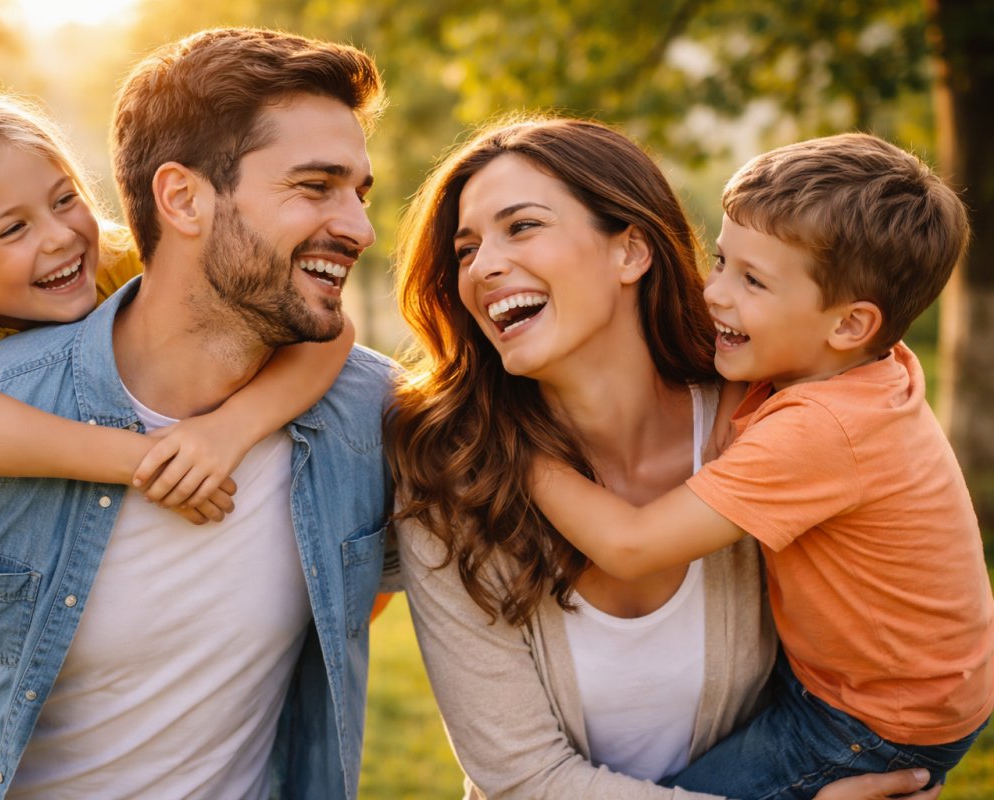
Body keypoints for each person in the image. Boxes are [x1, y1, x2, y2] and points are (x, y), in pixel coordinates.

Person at [0, 27, 393, 799]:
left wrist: (225, 432)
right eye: (315, 186)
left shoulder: (365, 416)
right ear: (180, 198)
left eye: (64, 200)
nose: (361, 228)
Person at [386, 116, 945, 800]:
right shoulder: (451, 479)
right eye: (466, 248)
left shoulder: (765, 429)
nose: (483, 266)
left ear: (632, 251)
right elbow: (521, 779)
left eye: (522, 226)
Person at [529, 133, 994, 799]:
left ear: (849, 324)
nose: (714, 293)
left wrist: (521, 456)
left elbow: (631, 546)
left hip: (867, 720)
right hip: (886, 683)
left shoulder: (822, 429)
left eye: (752, 281)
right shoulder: (859, 372)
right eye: (721, 261)